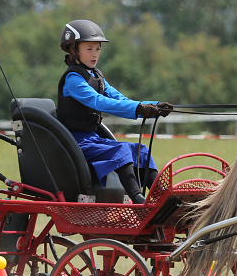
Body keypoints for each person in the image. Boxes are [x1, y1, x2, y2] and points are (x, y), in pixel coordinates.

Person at [57, 19, 172, 204]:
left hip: (93, 139)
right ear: (73, 50)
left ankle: (163, 197)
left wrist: (155, 106)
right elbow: (99, 102)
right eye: (89, 49)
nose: (95, 54)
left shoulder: (96, 76)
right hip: (76, 142)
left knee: (140, 151)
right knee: (121, 151)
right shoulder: (73, 79)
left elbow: (121, 99)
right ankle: (139, 200)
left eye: (98, 49)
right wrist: (138, 109)